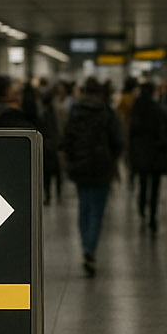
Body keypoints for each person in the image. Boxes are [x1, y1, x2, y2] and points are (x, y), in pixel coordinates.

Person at [63, 77, 123, 275]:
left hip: (80, 166)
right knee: (97, 210)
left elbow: (67, 139)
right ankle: (90, 249)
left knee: (84, 207)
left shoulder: (75, 110)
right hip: (101, 166)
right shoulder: (107, 111)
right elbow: (117, 140)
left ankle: (85, 246)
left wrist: (72, 159)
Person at [127, 81, 167, 236]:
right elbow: (166, 132)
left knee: (143, 182)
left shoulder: (136, 109)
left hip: (141, 154)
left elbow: (131, 134)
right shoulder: (159, 109)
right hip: (156, 154)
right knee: (155, 187)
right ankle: (153, 215)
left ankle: (141, 207)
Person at [24, 82, 64, 205]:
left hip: (46, 145)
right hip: (51, 145)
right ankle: (56, 194)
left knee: (47, 172)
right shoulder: (51, 112)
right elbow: (56, 129)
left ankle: (49, 195)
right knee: (56, 172)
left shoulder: (42, 111)